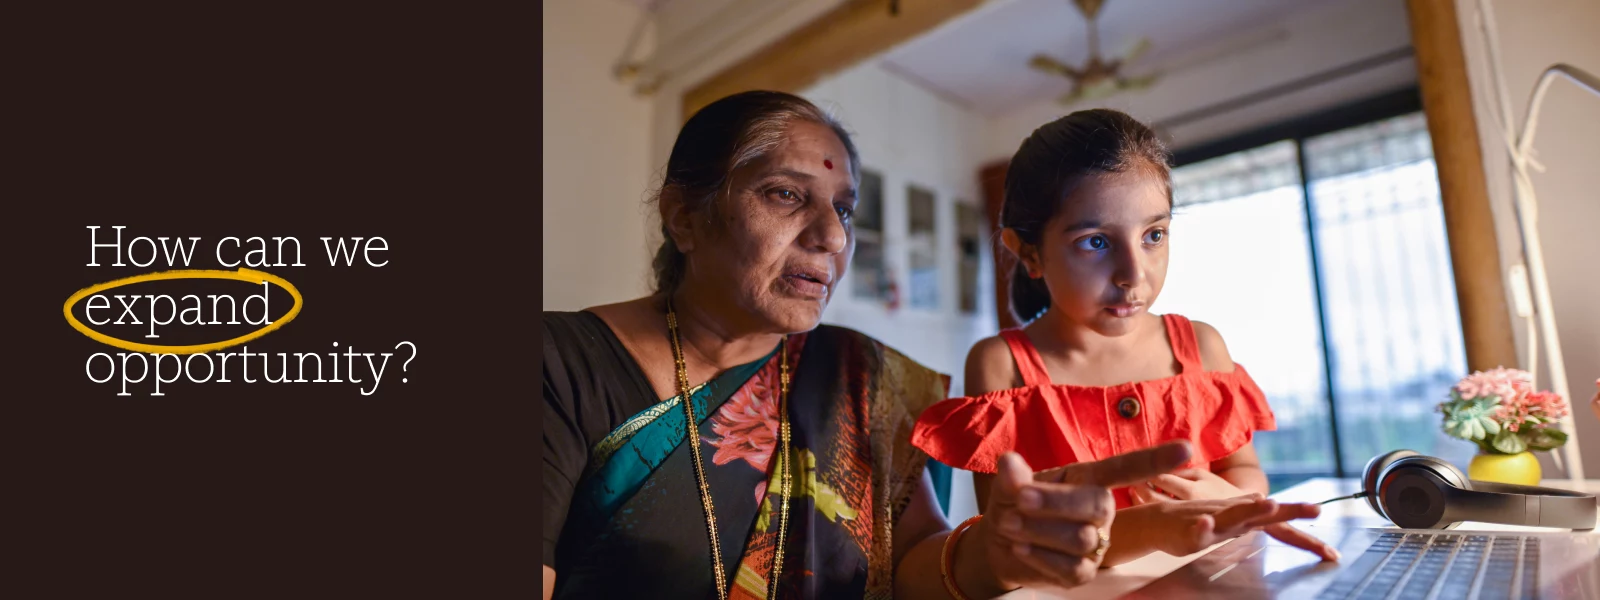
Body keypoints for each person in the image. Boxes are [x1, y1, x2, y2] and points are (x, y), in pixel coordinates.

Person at [543, 91, 1324, 599]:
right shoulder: (556, 365)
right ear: (684, 216)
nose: (828, 237)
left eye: (844, 209)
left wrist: (1005, 553)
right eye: (786, 195)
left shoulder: (866, 379)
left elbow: (921, 568)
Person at [910, 108, 1343, 567]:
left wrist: (1234, 498)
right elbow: (1015, 537)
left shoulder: (1201, 347)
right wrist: (1158, 529)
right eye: (1096, 242)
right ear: (1029, 252)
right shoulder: (1002, 366)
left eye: (1153, 235)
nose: (1134, 274)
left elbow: (1244, 471)